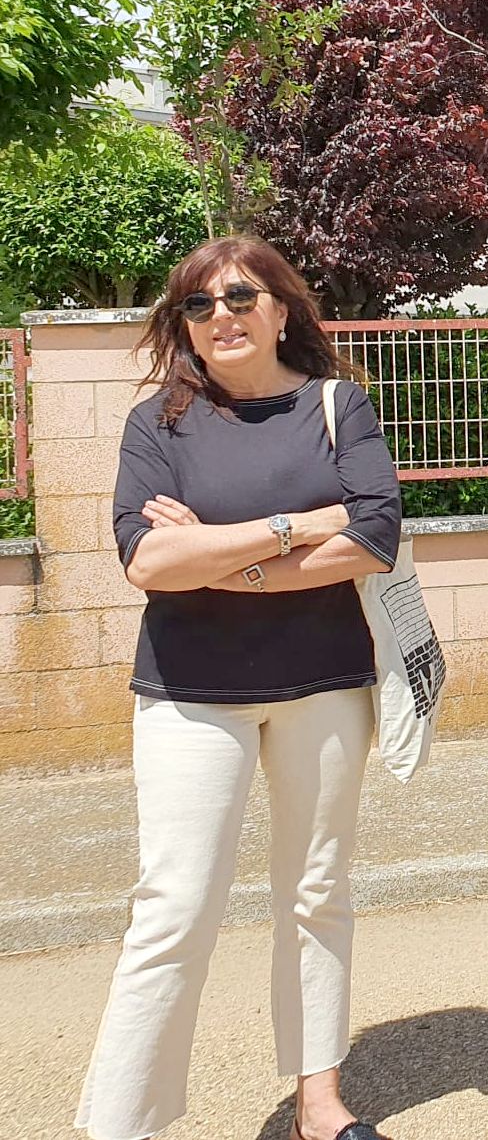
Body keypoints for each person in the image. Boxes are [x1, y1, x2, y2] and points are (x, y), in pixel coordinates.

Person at [78, 237, 401, 1140]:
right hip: (191, 692)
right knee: (175, 904)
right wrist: (291, 528)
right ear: (183, 324)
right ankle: (121, 1122)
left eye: (241, 295)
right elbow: (148, 559)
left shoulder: (338, 404)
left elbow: (373, 534)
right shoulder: (159, 424)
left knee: (316, 891)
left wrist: (215, 556)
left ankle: (319, 1101)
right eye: (198, 303)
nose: (222, 314)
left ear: (282, 309)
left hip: (325, 684)